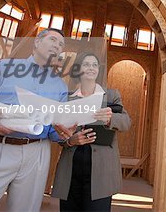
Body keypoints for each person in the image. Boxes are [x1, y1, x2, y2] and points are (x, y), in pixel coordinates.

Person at [0, 28, 75, 212]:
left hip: (37, 152)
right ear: (36, 42)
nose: (57, 46)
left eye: (61, 45)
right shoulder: (4, 68)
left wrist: (63, 133)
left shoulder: (59, 86)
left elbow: (53, 131)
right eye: (52, 40)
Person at [52, 52, 131, 212]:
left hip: (102, 172)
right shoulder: (67, 98)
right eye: (86, 64)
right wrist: (70, 140)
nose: (91, 68)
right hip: (71, 169)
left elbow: (126, 122)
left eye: (94, 65)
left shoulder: (111, 95)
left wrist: (110, 119)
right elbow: (57, 131)